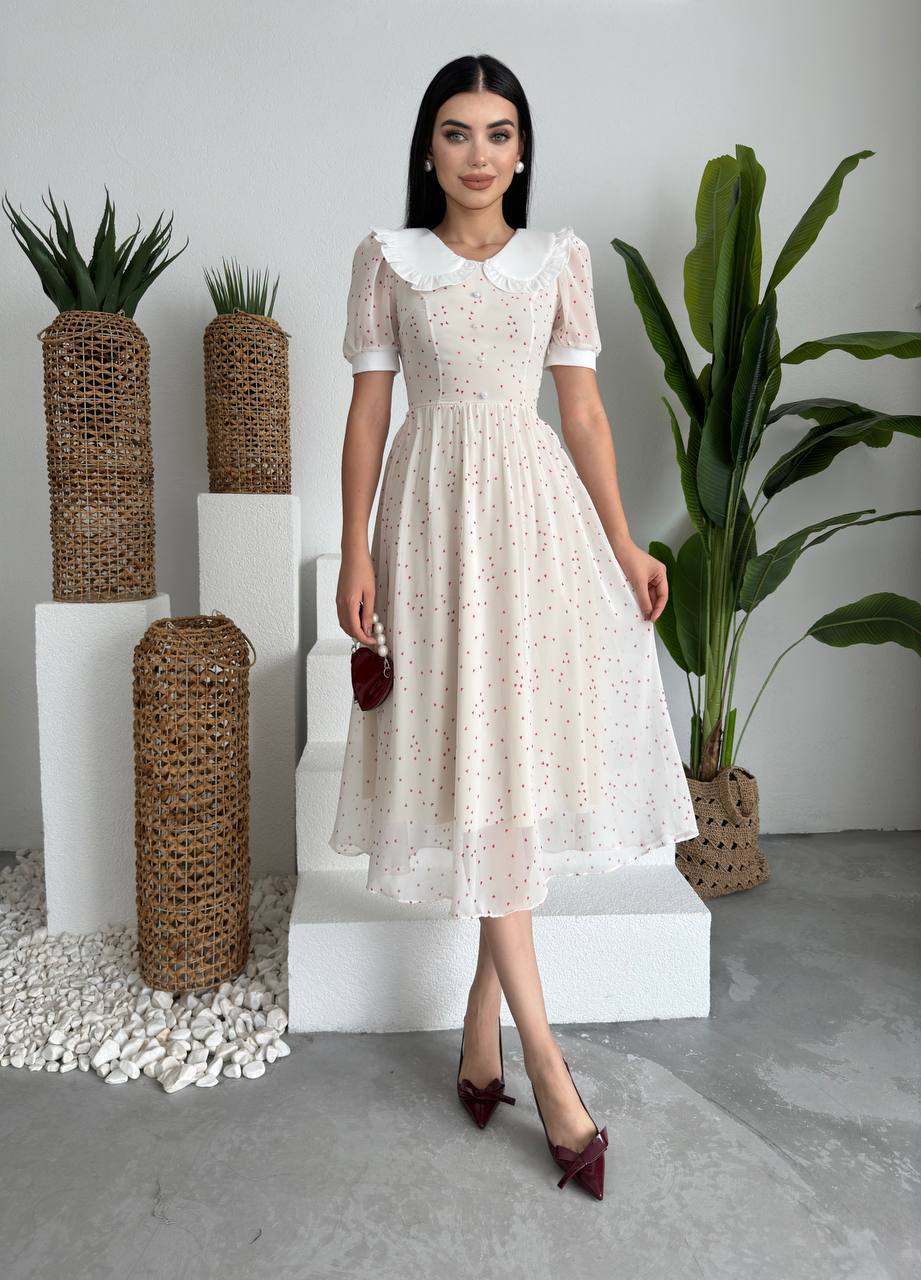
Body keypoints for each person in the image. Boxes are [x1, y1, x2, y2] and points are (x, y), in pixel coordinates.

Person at [330, 53, 698, 1199]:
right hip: (430, 521)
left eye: (497, 133)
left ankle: (489, 1029)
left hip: (531, 519)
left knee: (508, 769)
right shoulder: (389, 260)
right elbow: (368, 412)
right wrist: (353, 546)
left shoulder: (560, 261)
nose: (478, 153)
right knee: (470, 765)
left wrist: (628, 539)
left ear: (522, 150)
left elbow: (580, 410)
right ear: (426, 148)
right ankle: (546, 1060)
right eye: (455, 133)